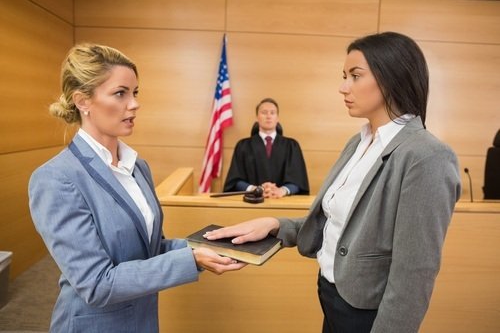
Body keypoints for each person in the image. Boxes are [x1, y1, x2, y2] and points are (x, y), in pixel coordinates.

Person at [206, 32, 461, 333]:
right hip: (332, 298)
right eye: (344, 76)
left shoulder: (427, 156)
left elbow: (414, 274)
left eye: (355, 76)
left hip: (368, 315)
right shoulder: (358, 142)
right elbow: (340, 224)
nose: (343, 87)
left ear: (391, 77)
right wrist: (275, 225)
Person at [28, 43, 245, 333]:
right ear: (83, 101)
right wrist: (189, 260)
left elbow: (150, 249)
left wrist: (206, 245)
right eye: (120, 93)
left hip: (141, 321)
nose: (134, 104)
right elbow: (97, 283)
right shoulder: (56, 178)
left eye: (135, 93)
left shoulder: (137, 166)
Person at [223, 97, 309, 198]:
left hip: (282, 203)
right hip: (252, 203)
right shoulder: (243, 146)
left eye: (272, 113)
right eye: (264, 112)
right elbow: (235, 181)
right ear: (257, 117)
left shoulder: (292, 146)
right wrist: (254, 189)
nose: (268, 116)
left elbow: (298, 180)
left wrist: (282, 191)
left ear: (277, 118)